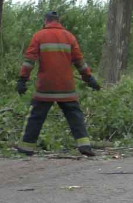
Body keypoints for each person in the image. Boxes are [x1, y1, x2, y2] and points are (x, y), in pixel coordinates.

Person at [15, 11, 101, 157]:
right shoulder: (69, 36)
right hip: (66, 86)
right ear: (58, 21)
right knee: (75, 115)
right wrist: (89, 79)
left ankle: (26, 148)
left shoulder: (39, 36)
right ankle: (84, 145)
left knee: (36, 116)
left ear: (45, 21)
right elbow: (79, 61)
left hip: (45, 86)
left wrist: (22, 79)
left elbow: (29, 61)